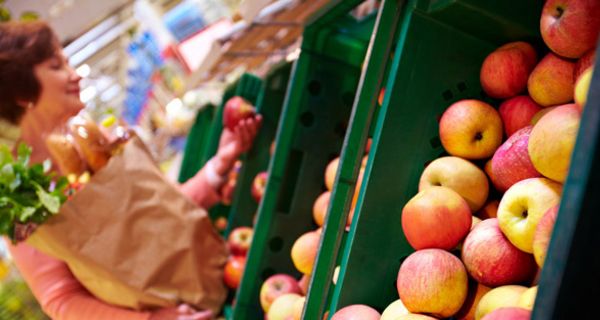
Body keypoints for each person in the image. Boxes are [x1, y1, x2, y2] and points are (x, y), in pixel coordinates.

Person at [0, 20, 262, 320]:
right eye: (57, 66)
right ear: (22, 92)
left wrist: (219, 165)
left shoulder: (100, 141)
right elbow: (61, 298)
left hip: (227, 273)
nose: (75, 76)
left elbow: (161, 212)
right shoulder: (22, 202)